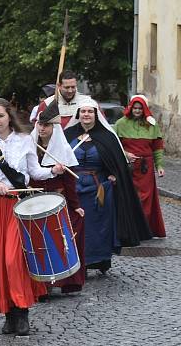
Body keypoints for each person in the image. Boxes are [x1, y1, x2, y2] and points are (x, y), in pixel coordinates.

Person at [0, 99, 66, 336]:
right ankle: (8, 314)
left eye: (0, 116)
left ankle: (22, 311)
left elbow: (34, 172)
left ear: (9, 116)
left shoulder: (25, 140)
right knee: (0, 263)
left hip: (19, 207)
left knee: (15, 260)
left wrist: (52, 171)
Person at [65, 100, 152, 274]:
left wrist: (114, 176)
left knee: (97, 227)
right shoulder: (67, 135)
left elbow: (118, 163)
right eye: (83, 112)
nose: (86, 115)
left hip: (98, 189)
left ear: (96, 114)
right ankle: (75, 262)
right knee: (73, 226)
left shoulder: (107, 136)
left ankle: (97, 260)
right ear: (78, 114)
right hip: (73, 189)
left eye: (90, 111)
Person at [29, 101, 86, 295]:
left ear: (54, 127)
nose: (42, 128)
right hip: (33, 204)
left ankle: (65, 281)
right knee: (36, 243)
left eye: (46, 125)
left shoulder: (62, 149)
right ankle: (40, 286)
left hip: (57, 202)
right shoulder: (30, 146)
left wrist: (75, 205)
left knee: (63, 239)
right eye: (40, 124)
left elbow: (69, 183)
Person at [113, 95, 166, 238]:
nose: (137, 111)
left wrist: (159, 165)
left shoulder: (152, 125)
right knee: (130, 197)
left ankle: (145, 230)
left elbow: (157, 147)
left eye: (140, 108)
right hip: (128, 167)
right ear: (130, 108)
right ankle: (131, 229)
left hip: (146, 169)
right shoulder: (120, 123)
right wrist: (126, 154)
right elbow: (114, 146)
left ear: (144, 109)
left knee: (146, 199)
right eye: (135, 108)